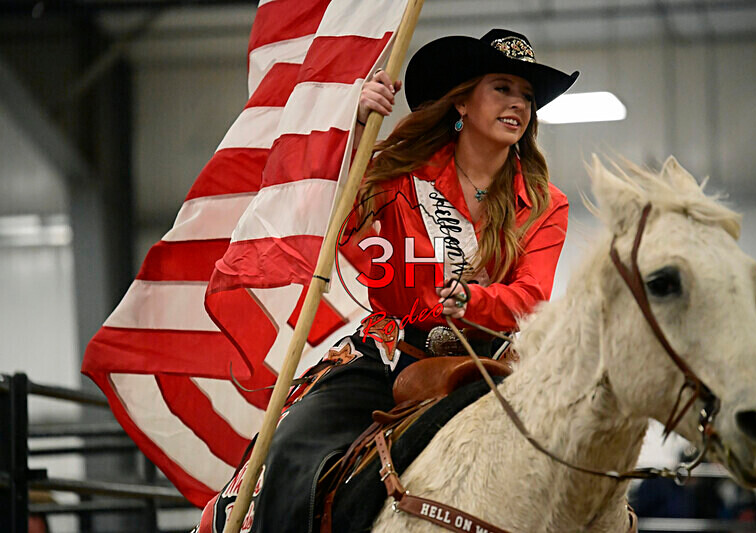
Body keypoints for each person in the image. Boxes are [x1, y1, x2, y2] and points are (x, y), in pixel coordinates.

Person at [195, 29, 578, 533]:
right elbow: (331, 214)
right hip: (390, 355)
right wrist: (353, 126)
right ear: (461, 100)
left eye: (527, 96)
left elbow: (530, 297)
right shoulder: (400, 175)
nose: (519, 105)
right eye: (502, 88)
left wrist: (474, 300)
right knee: (291, 447)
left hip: (488, 366)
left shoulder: (546, 202)